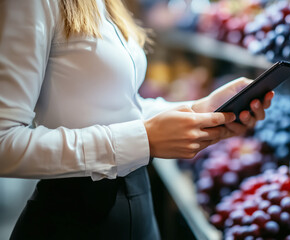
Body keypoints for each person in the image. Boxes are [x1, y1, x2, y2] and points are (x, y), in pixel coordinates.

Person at [0, 0, 273, 239]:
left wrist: (200, 109)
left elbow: (124, 106)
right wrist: (143, 139)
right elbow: (4, 143)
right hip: (75, 216)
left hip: (139, 205)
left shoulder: (107, 3)